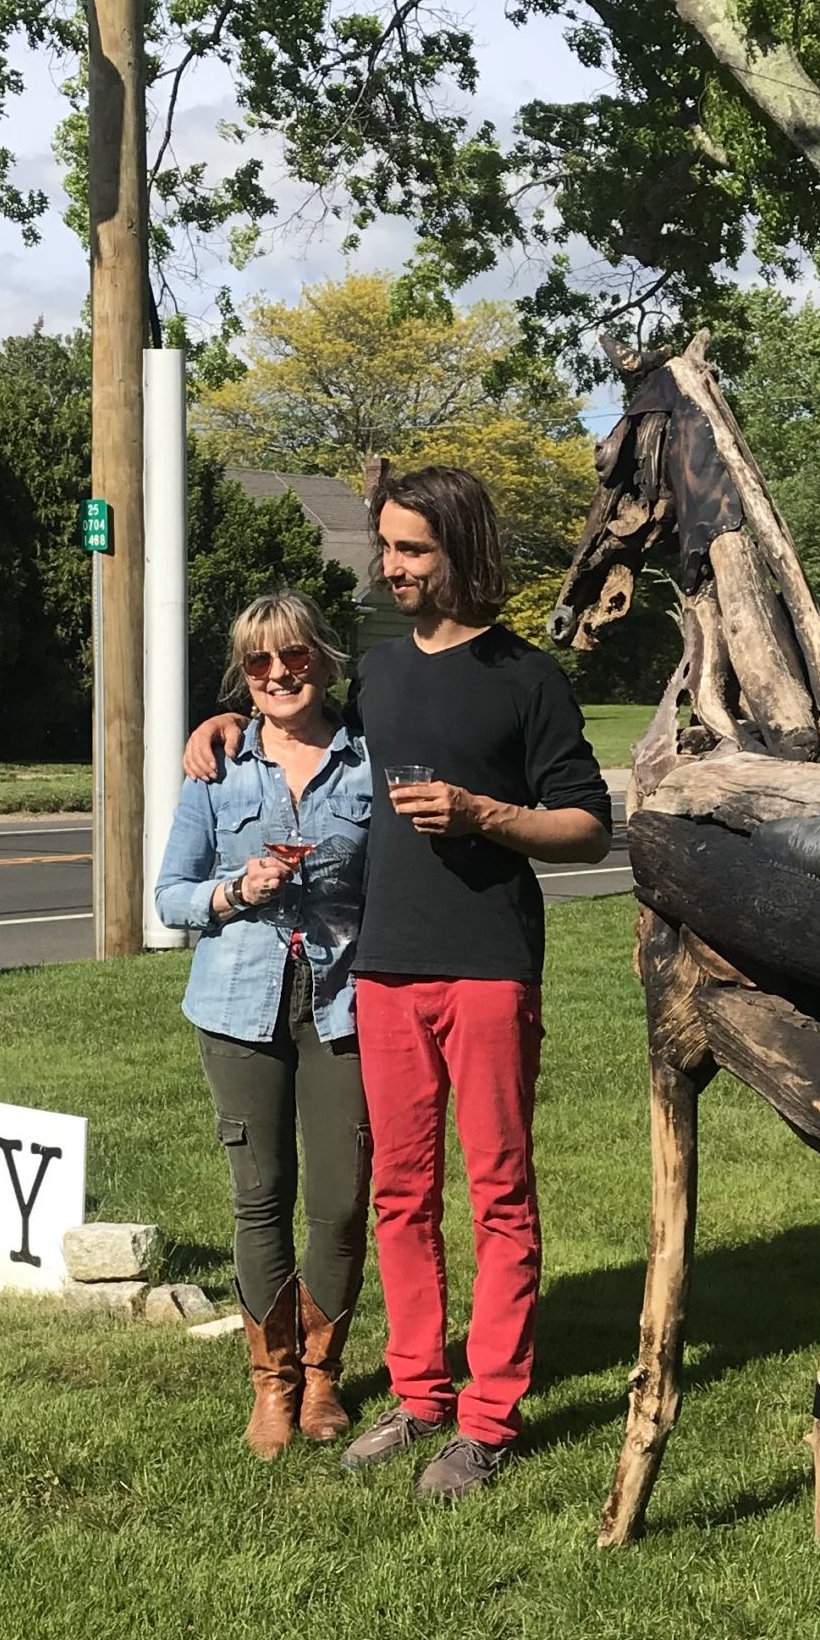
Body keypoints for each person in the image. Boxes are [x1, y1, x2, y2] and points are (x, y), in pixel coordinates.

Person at [185, 465, 611, 1500]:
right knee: (401, 1194)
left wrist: (485, 818)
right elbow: (293, 719)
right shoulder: (376, 676)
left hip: (488, 970)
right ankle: (420, 1395)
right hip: (379, 972)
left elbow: (589, 825)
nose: (389, 565)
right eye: (385, 546)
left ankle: (490, 1416)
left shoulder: (528, 680)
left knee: (499, 1192)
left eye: (410, 548)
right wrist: (220, 726)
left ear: (461, 549)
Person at [154, 593, 373, 1458]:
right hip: (237, 1003)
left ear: (321, 657)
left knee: (343, 1199)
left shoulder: (365, 761)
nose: (280, 675)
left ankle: (324, 1374)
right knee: (260, 1198)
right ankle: (273, 1384)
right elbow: (169, 894)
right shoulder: (219, 768)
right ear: (244, 675)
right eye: (259, 663)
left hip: (343, 1003)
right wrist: (230, 891)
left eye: (295, 657)